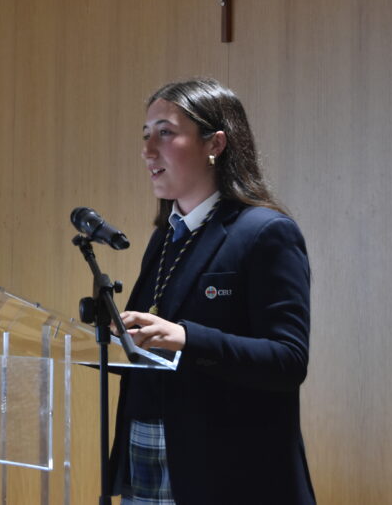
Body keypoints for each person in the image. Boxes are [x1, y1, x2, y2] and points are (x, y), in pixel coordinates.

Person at [110, 77, 315, 504]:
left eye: (166, 133)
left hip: (230, 471)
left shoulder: (266, 232)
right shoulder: (165, 237)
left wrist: (187, 338)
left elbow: (288, 361)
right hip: (148, 448)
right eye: (146, 135)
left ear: (215, 144)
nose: (148, 150)